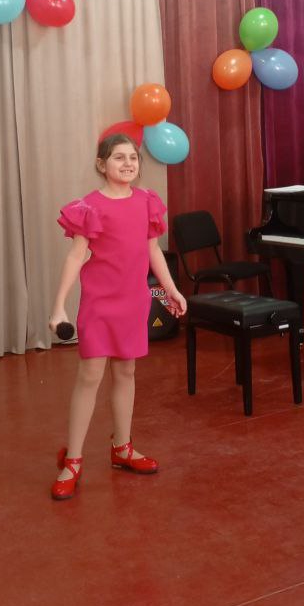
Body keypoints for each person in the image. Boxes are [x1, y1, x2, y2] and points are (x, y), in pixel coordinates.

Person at [49, 132, 187, 501]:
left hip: (133, 301)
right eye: (118, 157)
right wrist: (59, 305)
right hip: (99, 303)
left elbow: (153, 251)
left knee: (126, 371)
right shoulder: (90, 207)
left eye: (133, 158)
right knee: (90, 375)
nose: (128, 163)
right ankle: (73, 460)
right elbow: (76, 257)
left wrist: (171, 289)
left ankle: (122, 448)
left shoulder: (146, 202)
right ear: (101, 164)